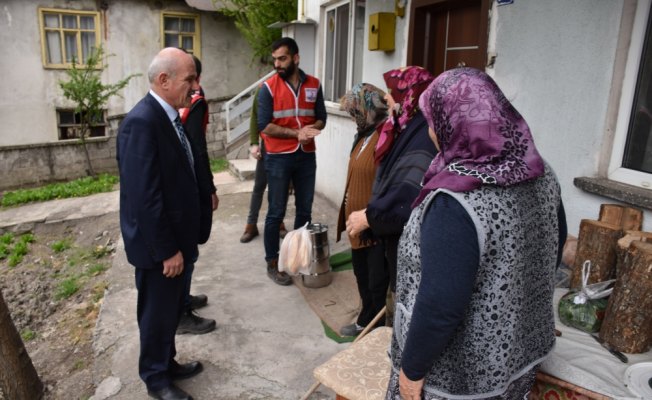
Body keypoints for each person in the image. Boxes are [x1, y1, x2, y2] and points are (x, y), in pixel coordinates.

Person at [386, 67, 567, 400]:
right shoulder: (539, 172)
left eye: (432, 120)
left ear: (452, 124)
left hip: (459, 380)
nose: (429, 130)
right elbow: (551, 247)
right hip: (520, 357)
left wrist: (412, 372)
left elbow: (440, 306)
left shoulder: (455, 200)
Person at [117, 47, 204, 400]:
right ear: (163, 80)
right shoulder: (142, 121)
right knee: (155, 315)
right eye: (190, 79)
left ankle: (167, 362)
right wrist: (168, 250)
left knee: (169, 310)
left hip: (174, 239)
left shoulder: (166, 115)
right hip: (158, 248)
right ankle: (156, 379)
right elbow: (145, 197)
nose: (196, 87)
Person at [346, 67, 437, 324]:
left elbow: (407, 192)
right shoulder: (403, 128)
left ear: (410, 94)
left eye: (392, 93)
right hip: (379, 225)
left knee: (386, 290)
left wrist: (372, 216)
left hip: (391, 229)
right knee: (373, 282)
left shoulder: (422, 135)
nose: (388, 100)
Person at [258, 37, 327, 285]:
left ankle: (298, 258)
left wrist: (312, 129)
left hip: (306, 155)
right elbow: (264, 125)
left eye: (282, 58)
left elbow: (321, 117)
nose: (277, 63)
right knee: (276, 212)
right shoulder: (268, 88)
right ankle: (272, 262)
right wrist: (295, 133)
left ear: (296, 58)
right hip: (278, 157)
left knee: (305, 210)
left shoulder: (315, 85)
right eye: (275, 59)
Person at [336, 83, 391, 337]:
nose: (352, 116)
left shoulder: (384, 137)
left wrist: (372, 216)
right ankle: (365, 320)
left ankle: (375, 328)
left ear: (371, 111)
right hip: (356, 223)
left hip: (373, 225)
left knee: (376, 281)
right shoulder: (363, 134)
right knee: (361, 275)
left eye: (356, 111)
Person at [176, 54, 218, 335]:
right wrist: (210, 188)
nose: (191, 84)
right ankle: (181, 313)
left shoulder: (179, 102)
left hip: (183, 181)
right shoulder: (196, 101)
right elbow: (197, 150)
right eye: (188, 79)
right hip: (190, 185)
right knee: (189, 248)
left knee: (188, 247)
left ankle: (183, 299)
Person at [239, 87, 287, 243]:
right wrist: (254, 143)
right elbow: (254, 117)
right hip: (267, 145)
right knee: (259, 186)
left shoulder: (289, 90)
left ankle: (278, 223)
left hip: (284, 147)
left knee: (279, 187)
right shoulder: (263, 90)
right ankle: (251, 225)